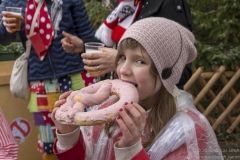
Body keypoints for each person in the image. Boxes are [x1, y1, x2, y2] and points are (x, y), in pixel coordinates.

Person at [52, 17, 223, 159]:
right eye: (122, 57)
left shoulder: (187, 131)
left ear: (166, 73)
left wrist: (131, 150)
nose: (123, 70)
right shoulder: (105, 111)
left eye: (140, 61)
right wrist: (69, 135)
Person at [0, 0, 95, 158]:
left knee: (86, 133)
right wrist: (6, 28)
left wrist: (82, 46)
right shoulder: (12, 1)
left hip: (76, 78)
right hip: (40, 85)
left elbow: (91, 41)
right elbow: (3, 40)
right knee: (48, 143)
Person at [62, 0, 193, 89]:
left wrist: (121, 61)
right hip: (119, 102)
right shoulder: (126, 5)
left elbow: (181, 72)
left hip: (152, 113)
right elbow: (118, 48)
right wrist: (82, 45)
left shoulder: (169, 4)